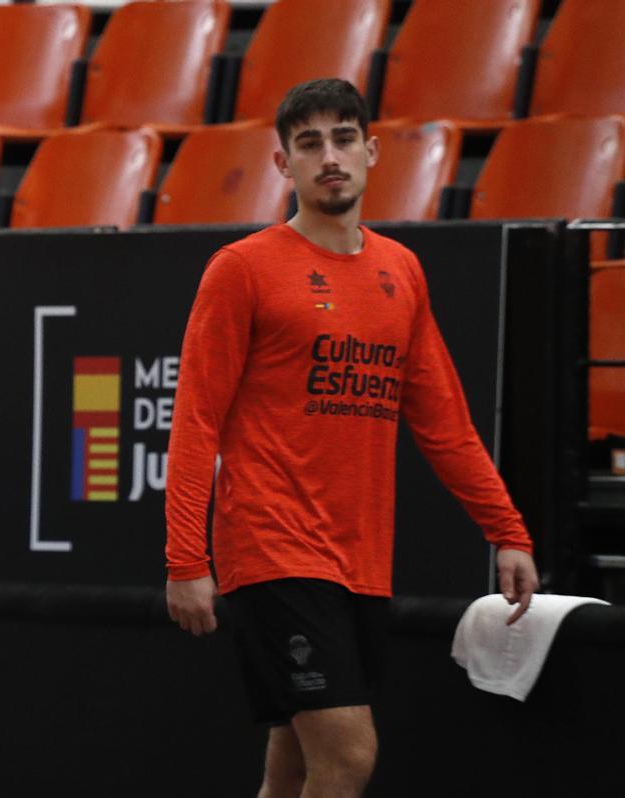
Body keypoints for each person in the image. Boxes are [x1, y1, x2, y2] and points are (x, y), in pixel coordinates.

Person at [164, 78, 539, 798]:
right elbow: (195, 421)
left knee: (295, 766)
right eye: (309, 143)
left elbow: (443, 422)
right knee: (349, 755)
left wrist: (508, 529)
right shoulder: (242, 269)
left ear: (370, 151)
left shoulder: (401, 270)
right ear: (284, 165)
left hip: (360, 561)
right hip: (274, 551)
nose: (328, 156)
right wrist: (187, 556)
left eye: (343, 138)